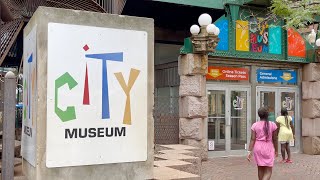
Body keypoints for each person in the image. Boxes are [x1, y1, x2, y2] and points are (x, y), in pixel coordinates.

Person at [247, 107, 278, 180]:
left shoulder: (255, 125)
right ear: (267, 115)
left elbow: (252, 139)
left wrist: (249, 151)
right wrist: (276, 150)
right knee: (268, 170)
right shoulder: (273, 125)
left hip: (258, 148)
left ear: (259, 115)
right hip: (268, 148)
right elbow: (275, 139)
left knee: (260, 168)